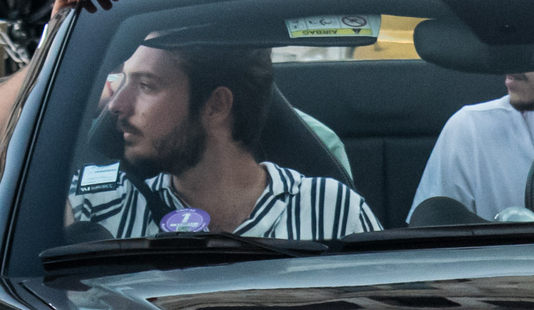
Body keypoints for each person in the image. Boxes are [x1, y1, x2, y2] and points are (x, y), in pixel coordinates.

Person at [0, 0, 349, 215]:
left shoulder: (316, 167)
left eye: (162, 23)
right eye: (142, 15)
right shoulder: (101, 119)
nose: (143, 36)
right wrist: (61, 56)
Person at [68, 37, 377, 241]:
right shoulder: (101, 206)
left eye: (146, 86)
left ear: (216, 105)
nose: (116, 105)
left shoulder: (334, 210)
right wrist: (60, 50)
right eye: (124, 81)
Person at [412, 34, 534, 220]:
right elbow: (430, 241)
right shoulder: (472, 128)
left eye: (531, 41)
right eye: (508, 41)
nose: (509, 58)